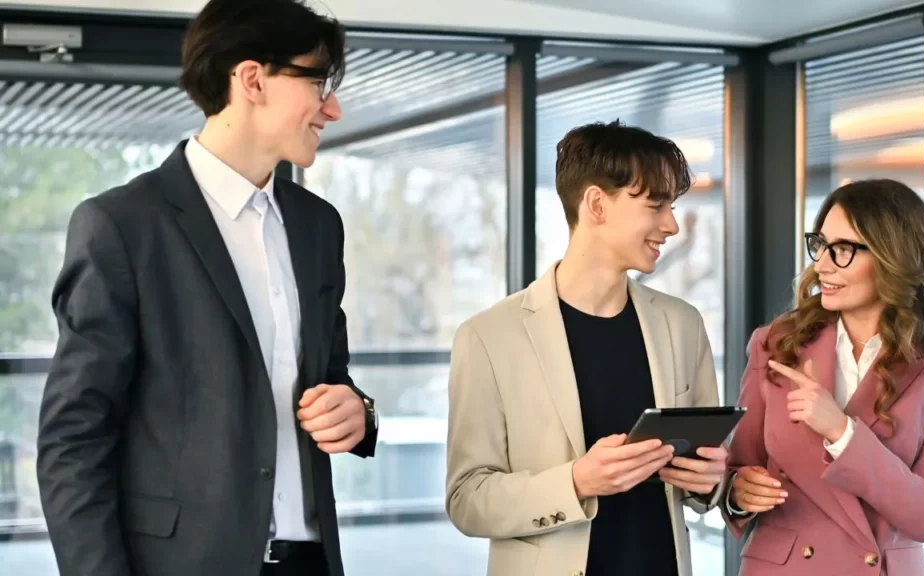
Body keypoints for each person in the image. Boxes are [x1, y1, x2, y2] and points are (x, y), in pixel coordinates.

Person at [35, 1, 378, 575]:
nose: (333, 109)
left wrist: (358, 412)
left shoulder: (320, 226)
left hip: (310, 561)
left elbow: (330, 376)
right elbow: (74, 440)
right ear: (251, 80)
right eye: (318, 83)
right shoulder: (122, 225)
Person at [445, 120, 729, 576]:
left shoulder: (682, 325)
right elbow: (467, 500)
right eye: (656, 205)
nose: (672, 225)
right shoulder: (488, 337)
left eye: (672, 206)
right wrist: (577, 482)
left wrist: (708, 480)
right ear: (596, 204)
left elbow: (708, 475)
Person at [723, 179, 924, 575]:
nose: (821, 264)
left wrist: (841, 431)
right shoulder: (777, 343)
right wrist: (739, 492)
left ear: (892, 257)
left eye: (843, 250)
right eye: (821, 245)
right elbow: (738, 468)